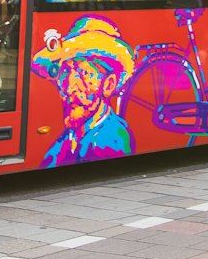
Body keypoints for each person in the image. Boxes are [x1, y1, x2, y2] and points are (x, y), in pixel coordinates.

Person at [31, 15, 135, 166]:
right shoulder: (69, 137)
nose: (70, 86)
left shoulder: (111, 138)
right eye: (65, 72)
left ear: (108, 84)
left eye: (84, 73)